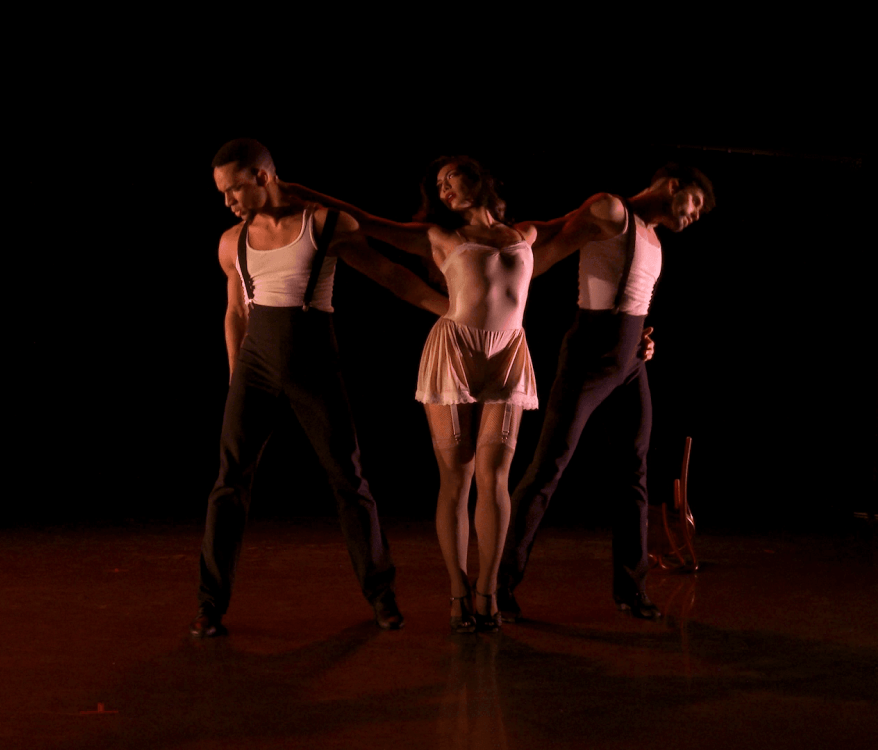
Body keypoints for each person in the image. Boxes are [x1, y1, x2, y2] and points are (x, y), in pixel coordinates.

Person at [282, 156, 553, 633]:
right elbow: (364, 220)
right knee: (459, 475)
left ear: (481, 179)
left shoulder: (525, 234)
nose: (446, 189)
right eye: (439, 185)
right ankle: (457, 591)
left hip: (508, 354)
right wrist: (297, 190)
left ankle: (488, 591)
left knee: (496, 476)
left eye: (455, 178)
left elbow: (582, 224)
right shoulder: (436, 235)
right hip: (455, 351)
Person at [194, 139, 449, 637]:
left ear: (262, 177)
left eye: (233, 190)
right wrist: (235, 377)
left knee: (348, 479)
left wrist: (452, 309)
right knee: (229, 483)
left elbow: (390, 275)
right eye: (222, 194)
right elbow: (235, 311)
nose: (227, 202)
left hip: (313, 358)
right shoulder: (231, 241)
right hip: (255, 366)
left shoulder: (326, 224)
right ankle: (209, 604)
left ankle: (382, 595)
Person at [497, 163, 716, 622]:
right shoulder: (612, 210)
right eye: (695, 202)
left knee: (634, 473)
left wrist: (643, 339)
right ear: (672, 185)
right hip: (591, 353)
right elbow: (551, 242)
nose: (695, 215)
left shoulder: (654, 240)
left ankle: (630, 589)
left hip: (630, 362)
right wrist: (495, 278)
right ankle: (499, 585)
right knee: (548, 466)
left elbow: (634, 301)